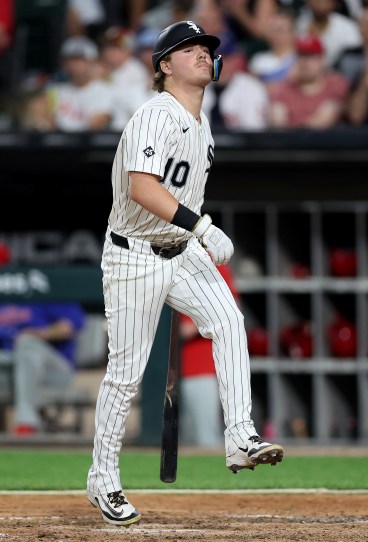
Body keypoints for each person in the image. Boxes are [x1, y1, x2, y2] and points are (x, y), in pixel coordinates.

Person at [86, 20, 284, 527]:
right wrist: (204, 226)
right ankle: (102, 478)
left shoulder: (201, 121)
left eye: (205, 48)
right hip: (135, 254)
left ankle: (240, 436)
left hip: (180, 249)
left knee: (229, 322)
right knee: (126, 376)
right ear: (164, 65)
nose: (200, 53)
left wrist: (194, 231)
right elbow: (142, 189)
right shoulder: (157, 114)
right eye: (187, 48)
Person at [0, 301, 85, 435]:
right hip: (11, 368)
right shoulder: (7, 292)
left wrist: (37, 334)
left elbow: (67, 328)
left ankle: (27, 424)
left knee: (26, 344)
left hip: (55, 370)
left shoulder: (50, 290)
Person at [179, 263, 238, 447]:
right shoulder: (161, 261)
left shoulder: (208, 262)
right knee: (179, 445)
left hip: (200, 367)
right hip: (166, 372)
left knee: (206, 442)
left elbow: (230, 309)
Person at [268, 34, 350, 128]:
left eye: (311, 56)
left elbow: (325, 119)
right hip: (290, 141)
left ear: (322, 59)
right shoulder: (284, 89)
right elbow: (278, 125)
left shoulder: (336, 84)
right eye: (301, 56)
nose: (305, 61)